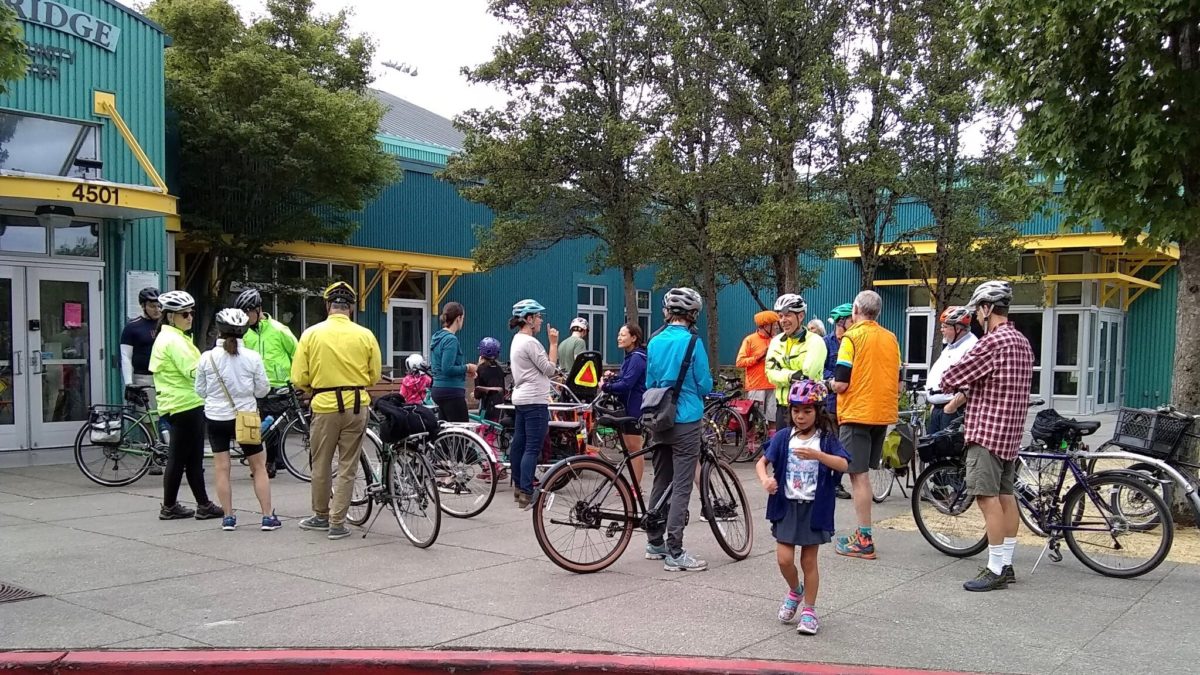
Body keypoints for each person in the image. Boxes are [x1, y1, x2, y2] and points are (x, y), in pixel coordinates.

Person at [939, 281, 1033, 592]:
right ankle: (1006, 562)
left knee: (986, 498)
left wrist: (955, 384)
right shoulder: (1021, 341)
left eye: (979, 309)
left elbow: (951, 377)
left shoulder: (992, 342)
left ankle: (994, 568)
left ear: (987, 308)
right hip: (1010, 433)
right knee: (1007, 497)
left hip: (987, 431)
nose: (979, 317)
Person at [756, 380, 850, 636]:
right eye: (796, 410)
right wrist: (766, 480)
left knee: (809, 560)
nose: (800, 416)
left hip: (814, 508)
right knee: (784, 559)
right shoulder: (784, 437)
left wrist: (819, 456)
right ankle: (795, 591)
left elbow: (843, 464)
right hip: (786, 506)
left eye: (807, 411)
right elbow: (762, 463)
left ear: (818, 412)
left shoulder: (826, 439)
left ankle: (809, 610)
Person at [292, 282, 382, 540]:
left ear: (327, 305)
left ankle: (320, 516)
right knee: (348, 465)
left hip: (324, 405)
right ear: (351, 308)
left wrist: (313, 387)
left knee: (321, 464)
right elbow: (374, 376)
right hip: (356, 404)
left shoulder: (311, 334)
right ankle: (338, 522)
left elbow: (299, 376)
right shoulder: (365, 335)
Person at [643, 287, 713, 572]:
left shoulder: (654, 340)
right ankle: (676, 551)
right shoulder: (692, 342)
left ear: (668, 313)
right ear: (692, 314)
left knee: (661, 479)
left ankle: (655, 541)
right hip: (686, 420)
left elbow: (651, 381)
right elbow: (704, 383)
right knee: (682, 486)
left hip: (659, 418)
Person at [827, 290, 900, 560]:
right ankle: (863, 534)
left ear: (855, 310)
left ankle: (864, 538)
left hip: (857, 413)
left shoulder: (851, 338)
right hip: (882, 413)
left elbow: (842, 382)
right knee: (864, 473)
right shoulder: (891, 338)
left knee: (858, 476)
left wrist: (827, 384)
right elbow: (898, 379)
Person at [194, 308, 278, 532]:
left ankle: (228, 517)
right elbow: (262, 390)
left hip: (216, 418)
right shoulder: (252, 358)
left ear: (218, 330)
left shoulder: (207, 358)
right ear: (244, 331)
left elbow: (200, 390)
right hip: (246, 417)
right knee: (259, 467)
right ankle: (267, 517)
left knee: (222, 468)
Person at [150, 290, 222, 521]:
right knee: (180, 458)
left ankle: (202, 504)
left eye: (191, 313)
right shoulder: (173, 341)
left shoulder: (173, 337)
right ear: (170, 316)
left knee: (190, 459)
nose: (189, 317)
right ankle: (171, 506)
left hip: (181, 404)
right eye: (184, 314)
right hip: (185, 404)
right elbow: (194, 372)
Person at [236, 288, 298, 478]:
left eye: (248, 312)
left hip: (278, 384)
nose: (245, 317)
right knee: (256, 425)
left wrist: (297, 380)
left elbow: (297, 354)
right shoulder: (244, 334)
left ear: (258, 309)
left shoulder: (279, 330)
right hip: (254, 387)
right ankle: (262, 460)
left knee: (272, 426)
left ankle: (271, 462)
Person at [509, 299, 559, 508]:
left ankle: (519, 487)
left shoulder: (516, 340)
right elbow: (549, 369)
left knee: (519, 443)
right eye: (538, 317)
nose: (540, 321)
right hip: (535, 399)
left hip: (521, 397)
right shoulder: (531, 343)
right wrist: (554, 344)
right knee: (532, 447)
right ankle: (528, 492)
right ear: (528, 319)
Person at [765, 294, 827, 430]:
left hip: (808, 408)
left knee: (804, 450)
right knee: (783, 449)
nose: (783, 320)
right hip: (783, 409)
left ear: (801, 316)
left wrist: (781, 372)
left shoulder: (815, 342)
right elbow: (770, 374)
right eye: (780, 316)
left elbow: (806, 376)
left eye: (787, 315)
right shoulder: (776, 342)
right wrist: (790, 376)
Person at [121, 286, 166, 474]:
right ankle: (154, 456)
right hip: (143, 377)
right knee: (148, 418)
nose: (157, 309)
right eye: (152, 306)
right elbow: (125, 356)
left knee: (167, 415)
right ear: (143, 306)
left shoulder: (166, 325)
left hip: (165, 377)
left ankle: (170, 453)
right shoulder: (133, 327)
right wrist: (129, 382)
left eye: (159, 306)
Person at [601, 323, 648, 487]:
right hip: (628, 407)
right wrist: (613, 378)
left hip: (634, 408)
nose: (619, 337)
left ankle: (637, 487)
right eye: (619, 334)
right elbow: (625, 379)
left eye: (623, 334)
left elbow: (627, 384)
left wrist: (606, 386)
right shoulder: (631, 357)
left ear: (633, 338)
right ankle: (634, 485)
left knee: (635, 448)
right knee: (630, 448)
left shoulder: (637, 357)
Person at [924, 306, 978, 435]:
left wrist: (951, 407)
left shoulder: (971, 346)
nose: (942, 330)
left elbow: (972, 383)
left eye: (945, 326)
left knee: (946, 452)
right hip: (940, 408)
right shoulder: (951, 346)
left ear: (958, 328)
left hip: (953, 410)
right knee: (931, 450)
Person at [823, 303, 854, 500]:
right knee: (829, 443)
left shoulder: (854, 342)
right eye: (851, 320)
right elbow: (821, 368)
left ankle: (836, 482)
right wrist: (833, 379)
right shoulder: (826, 343)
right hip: (831, 402)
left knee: (844, 445)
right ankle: (828, 482)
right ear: (841, 322)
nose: (854, 323)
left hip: (850, 402)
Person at [736, 311, 780, 434]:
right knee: (753, 419)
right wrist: (757, 358)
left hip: (773, 385)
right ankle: (751, 447)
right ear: (766, 326)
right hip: (756, 386)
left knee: (773, 418)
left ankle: (771, 445)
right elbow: (739, 362)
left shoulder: (776, 340)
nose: (776, 326)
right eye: (774, 324)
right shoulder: (749, 340)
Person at [429, 302, 474, 423]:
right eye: (463, 318)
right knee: (461, 432)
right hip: (452, 391)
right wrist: (467, 367)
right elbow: (447, 368)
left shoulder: (437, 337)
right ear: (459, 318)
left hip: (437, 388)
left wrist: (463, 370)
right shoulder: (451, 340)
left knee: (447, 433)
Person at [474, 337, 507, 422]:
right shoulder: (499, 369)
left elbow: (477, 395)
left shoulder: (480, 369)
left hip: (486, 407)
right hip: (499, 406)